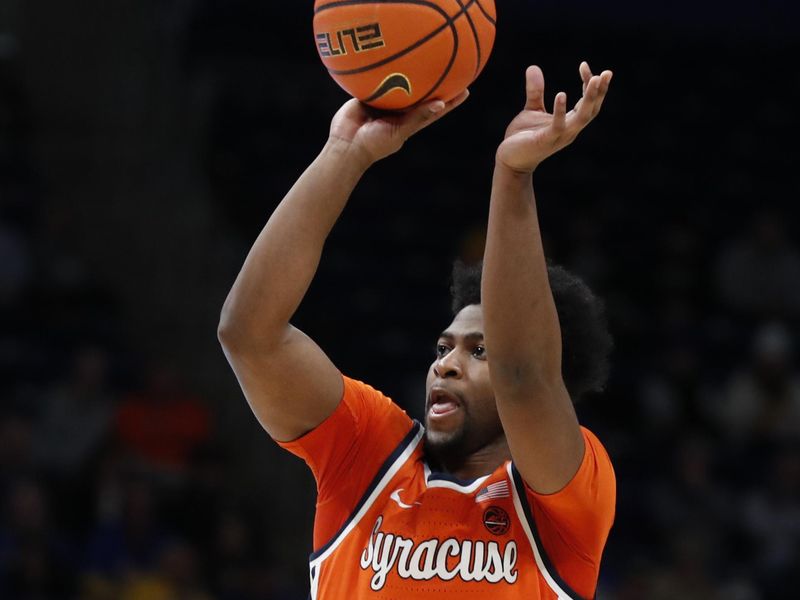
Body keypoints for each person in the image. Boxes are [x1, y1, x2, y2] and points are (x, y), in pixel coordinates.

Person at [218, 62, 616, 599]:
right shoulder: (368, 453)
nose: (445, 363)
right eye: (443, 346)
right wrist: (346, 154)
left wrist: (513, 175)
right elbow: (249, 334)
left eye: (480, 351)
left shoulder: (567, 500)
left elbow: (525, 375)